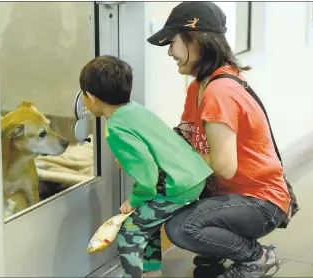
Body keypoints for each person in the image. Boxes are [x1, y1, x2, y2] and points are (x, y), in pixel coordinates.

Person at [146, 2, 291, 278]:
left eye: (173, 42)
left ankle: (257, 257)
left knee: (181, 227)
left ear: (197, 39)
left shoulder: (219, 91)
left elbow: (224, 167)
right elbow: (186, 140)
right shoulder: (198, 87)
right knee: (168, 198)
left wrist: (166, 157)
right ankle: (218, 250)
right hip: (232, 193)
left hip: (260, 201)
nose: (169, 52)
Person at [79, 55, 213, 278]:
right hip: (192, 174)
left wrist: (134, 200)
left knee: (130, 230)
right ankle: (151, 272)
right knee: (145, 219)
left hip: (177, 186)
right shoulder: (133, 110)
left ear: (91, 98)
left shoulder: (116, 129)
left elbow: (148, 178)